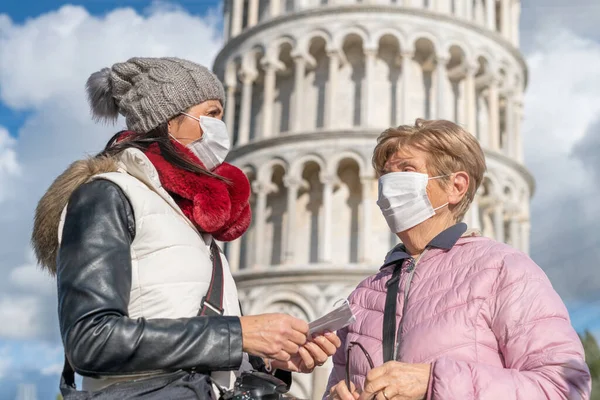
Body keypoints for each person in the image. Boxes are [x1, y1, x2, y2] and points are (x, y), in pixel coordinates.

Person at [31, 57, 340, 397]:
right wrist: (239, 334)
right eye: (211, 113)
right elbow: (91, 341)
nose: (220, 127)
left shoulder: (187, 218)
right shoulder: (107, 195)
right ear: (167, 119)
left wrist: (268, 355)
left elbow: (189, 334)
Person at [325, 119, 591, 400]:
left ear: (456, 186)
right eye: (385, 175)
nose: (389, 185)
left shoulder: (503, 269)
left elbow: (565, 388)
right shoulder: (365, 295)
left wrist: (434, 382)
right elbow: (335, 386)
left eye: (406, 170)